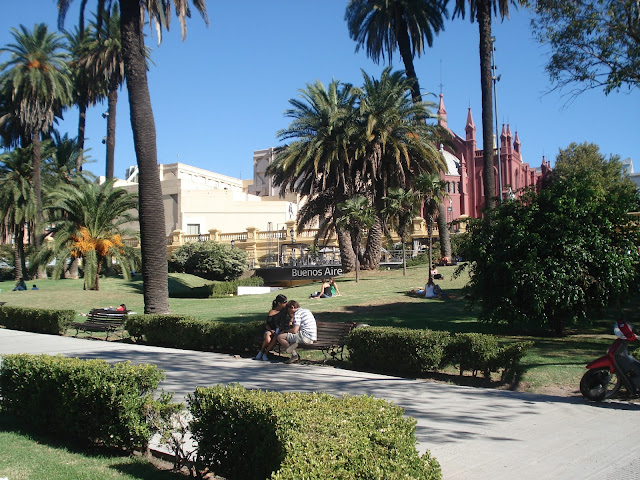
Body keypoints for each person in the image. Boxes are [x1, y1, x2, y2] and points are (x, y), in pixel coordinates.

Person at [254, 294, 289, 361]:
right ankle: (261, 351)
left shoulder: (284, 311)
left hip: (280, 330)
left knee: (276, 337)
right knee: (267, 337)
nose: (286, 304)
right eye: (284, 302)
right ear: (279, 303)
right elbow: (267, 324)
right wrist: (271, 330)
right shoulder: (272, 312)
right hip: (271, 329)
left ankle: (265, 353)